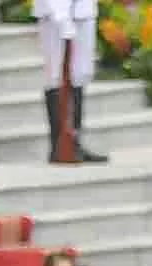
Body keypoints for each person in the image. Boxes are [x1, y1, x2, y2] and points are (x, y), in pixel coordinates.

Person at [36, 0, 103, 161]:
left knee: (80, 76)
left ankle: (73, 143)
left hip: (83, 11)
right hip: (56, 14)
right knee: (56, 76)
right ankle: (59, 146)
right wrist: (61, 17)